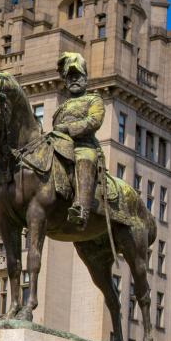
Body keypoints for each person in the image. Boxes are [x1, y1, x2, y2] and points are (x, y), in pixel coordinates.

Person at [47, 52, 107, 226]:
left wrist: (69, 128)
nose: (73, 80)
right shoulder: (62, 107)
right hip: (59, 146)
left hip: (84, 145)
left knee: (84, 160)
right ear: (65, 82)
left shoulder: (93, 99)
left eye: (77, 76)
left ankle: (82, 210)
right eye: (70, 77)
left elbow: (94, 121)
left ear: (85, 79)